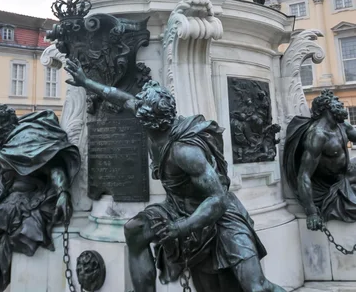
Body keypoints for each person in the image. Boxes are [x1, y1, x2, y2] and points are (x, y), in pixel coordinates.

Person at [66, 59, 285, 292]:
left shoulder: (185, 152)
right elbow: (120, 97)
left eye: (139, 109)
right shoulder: (150, 119)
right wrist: (86, 82)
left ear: (150, 119)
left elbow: (218, 199)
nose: (134, 108)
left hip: (218, 213)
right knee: (134, 230)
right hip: (177, 206)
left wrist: (180, 228)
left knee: (256, 287)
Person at [0, 104, 80, 292]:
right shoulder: (7, 143)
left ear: (1, 125)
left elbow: (54, 168)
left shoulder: (27, 139)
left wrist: (63, 193)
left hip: (21, 202)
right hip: (8, 196)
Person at [283, 89, 356, 230]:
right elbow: (303, 175)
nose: (341, 104)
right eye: (337, 103)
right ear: (327, 107)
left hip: (347, 173)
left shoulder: (342, 125)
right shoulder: (318, 135)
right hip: (331, 183)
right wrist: (311, 212)